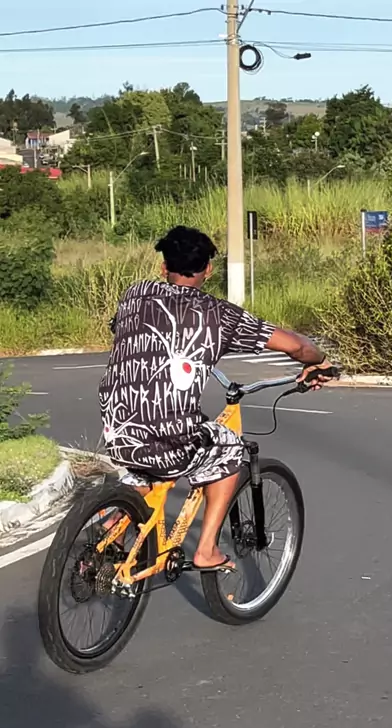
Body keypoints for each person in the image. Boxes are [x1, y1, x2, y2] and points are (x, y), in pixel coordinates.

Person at [99, 225, 332, 571]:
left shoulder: (136, 294)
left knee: (149, 460)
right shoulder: (220, 315)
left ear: (164, 267)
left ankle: (109, 536)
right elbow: (297, 346)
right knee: (229, 449)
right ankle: (206, 550)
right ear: (208, 269)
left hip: (116, 426)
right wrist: (320, 362)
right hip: (169, 433)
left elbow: (121, 328)